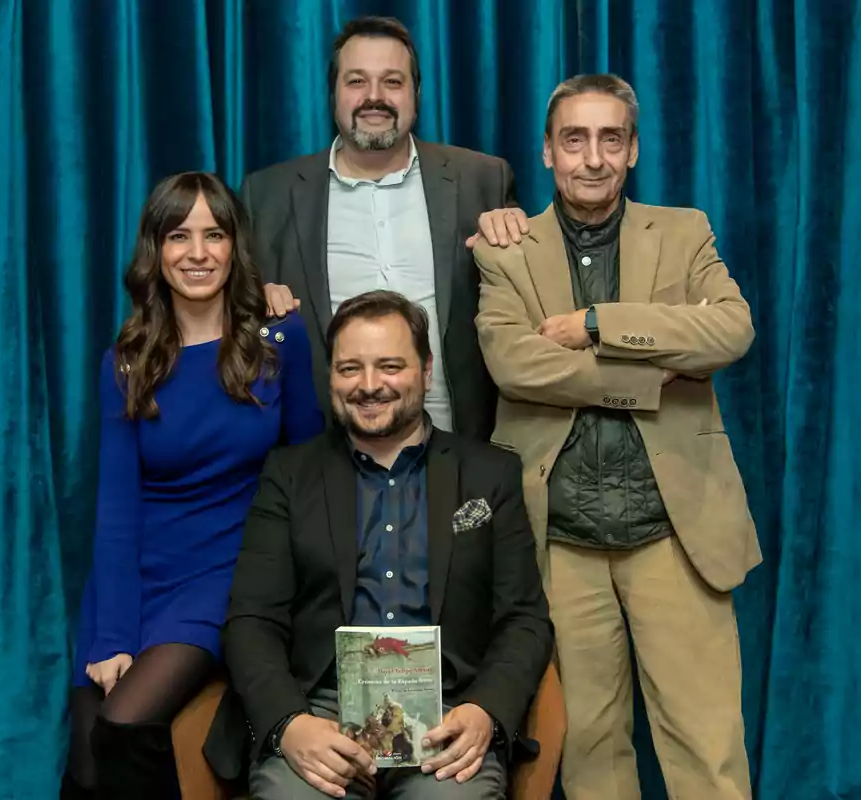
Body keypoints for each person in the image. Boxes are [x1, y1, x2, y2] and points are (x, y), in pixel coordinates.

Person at [473, 74, 759, 800]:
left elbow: (729, 328)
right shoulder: (503, 251)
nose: (592, 158)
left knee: (707, 747)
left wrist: (596, 326)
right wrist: (648, 373)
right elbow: (512, 363)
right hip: (561, 541)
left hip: (673, 532)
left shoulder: (685, 229)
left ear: (632, 151)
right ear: (547, 152)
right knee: (592, 752)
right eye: (575, 139)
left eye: (610, 139)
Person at [203, 291, 553, 799]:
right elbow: (251, 619)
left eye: (390, 366)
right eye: (350, 369)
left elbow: (524, 619)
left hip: (446, 712)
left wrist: (485, 711)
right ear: (331, 377)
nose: (369, 386)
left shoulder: (489, 474)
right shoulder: (289, 475)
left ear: (426, 371)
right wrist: (289, 724)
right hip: (319, 711)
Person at [61, 172, 324, 798]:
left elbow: (313, 472)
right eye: (179, 236)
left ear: (235, 246)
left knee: (125, 723)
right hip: (135, 577)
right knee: (85, 767)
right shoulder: (127, 361)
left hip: (224, 573)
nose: (198, 252)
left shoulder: (278, 339)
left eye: (214, 234)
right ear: (157, 250)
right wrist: (113, 636)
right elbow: (118, 507)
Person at [243, 15, 527, 441]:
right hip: (326, 458)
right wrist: (254, 305)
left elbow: (526, 303)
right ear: (333, 94)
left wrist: (523, 235)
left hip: (460, 448)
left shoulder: (481, 181)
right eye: (357, 81)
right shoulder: (267, 195)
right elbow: (236, 322)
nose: (374, 98)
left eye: (392, 82)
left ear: (416, 94)